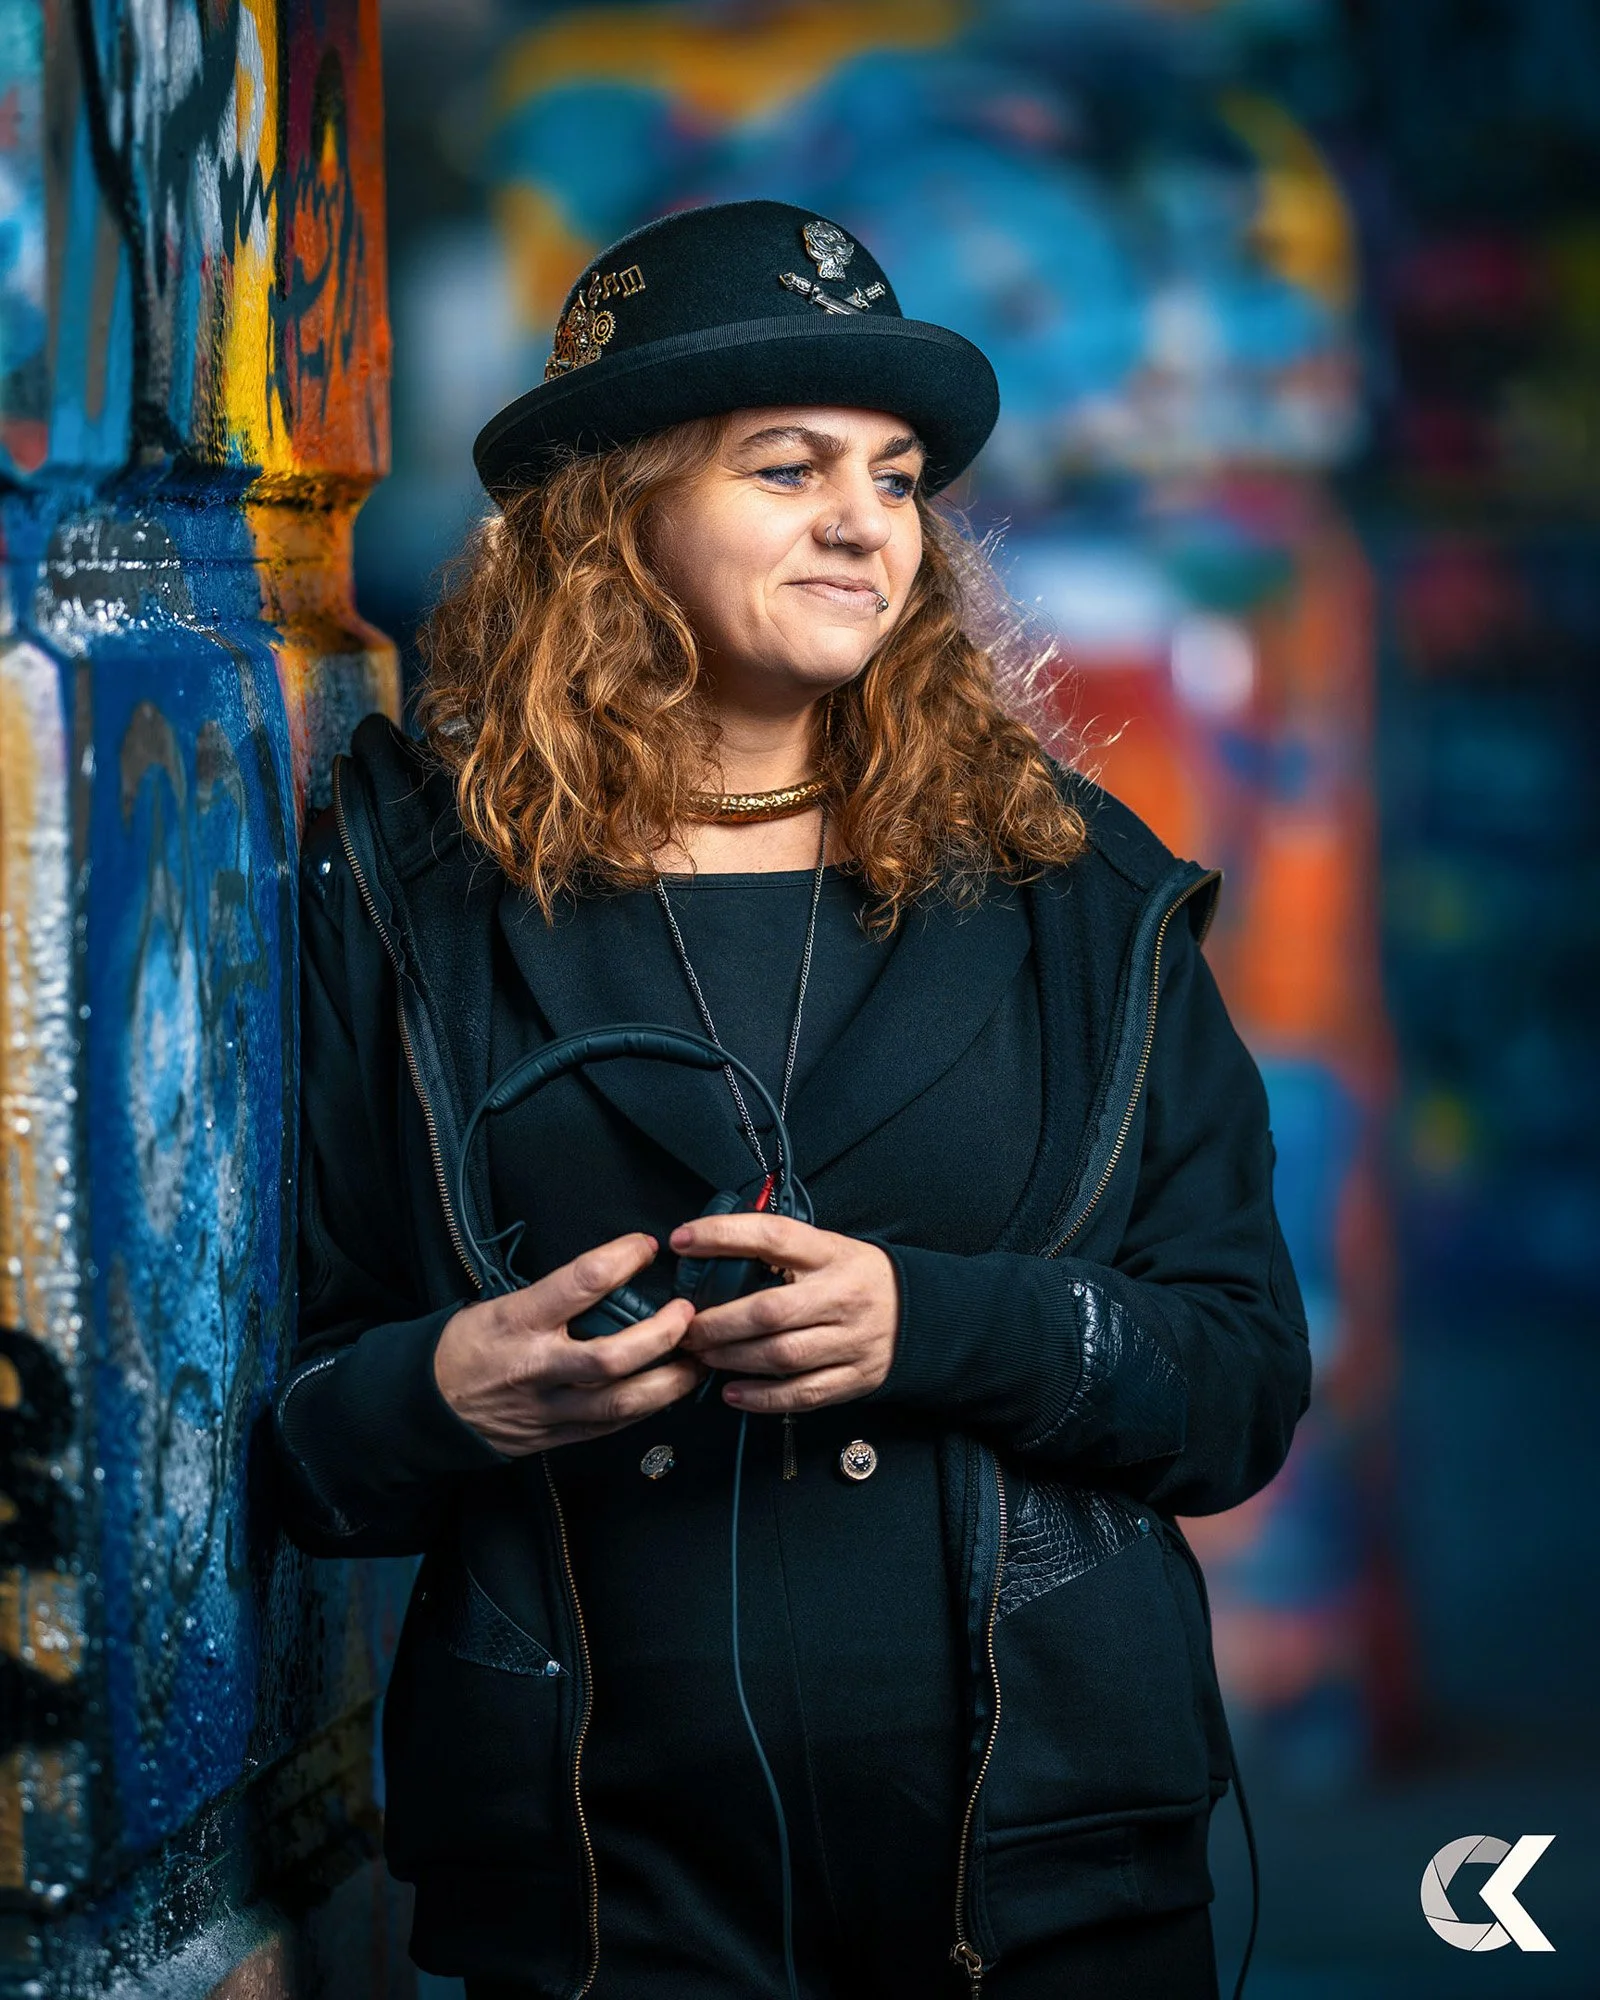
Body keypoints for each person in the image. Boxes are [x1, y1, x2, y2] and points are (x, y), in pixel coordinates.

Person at [272, 199, 1312, 2000]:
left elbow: (1235, 1386)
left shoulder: (1075, 888)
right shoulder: (419, 898)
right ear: (615, 511)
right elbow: (289, 1432)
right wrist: (444, 1392)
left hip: (1048, 1879)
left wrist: (941, 1323)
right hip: (600, 1887)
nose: (861, 523)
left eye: (896, 477)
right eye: (785, 466)